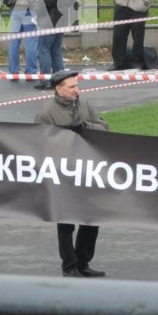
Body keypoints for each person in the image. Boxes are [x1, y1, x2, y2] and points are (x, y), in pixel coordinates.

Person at [33, 68, 108, 276]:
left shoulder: (85, 105)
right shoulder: (46, 114)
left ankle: (83, 262)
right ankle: (69, 266)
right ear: (59, 89)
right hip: (62, 175)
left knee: (91, 221)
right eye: (72, 86)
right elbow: (39, 144)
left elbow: (105, 127)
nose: (77, 89)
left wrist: (85, 126)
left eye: (77, 85)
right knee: (66, 224)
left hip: (87, 171)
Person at [0, 0, 40, 76]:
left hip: (14, 9)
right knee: (31, 39)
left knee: (14, 40)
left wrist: (9, 3)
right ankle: (31, 71)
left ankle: (13, 70)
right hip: (27, 9)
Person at [36, 0, 72, 80]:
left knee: (43, 49)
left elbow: (47, 2)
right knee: (55, 50)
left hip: (49, 20)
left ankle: (45, 80)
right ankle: (60, 79)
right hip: (61, 19)